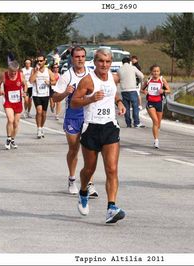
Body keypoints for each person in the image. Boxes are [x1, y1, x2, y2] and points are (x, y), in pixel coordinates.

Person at [71, 47, 126, 224]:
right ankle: (83, 191)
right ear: (94, 62)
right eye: (101, 61)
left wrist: (119, 102)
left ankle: (111, 207)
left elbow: (113, 92)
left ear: (111, 63)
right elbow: (73, 103)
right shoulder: (88, 81)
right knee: (89, 169)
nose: (104, 64)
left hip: (110, 126)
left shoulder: (113, 77)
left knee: (112, 169)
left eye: (107, 61)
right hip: (91, 128)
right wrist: (90, 99)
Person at [51, 46, 98, 197]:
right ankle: (72, 179)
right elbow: (54, 97)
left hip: (89, 116)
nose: (80, 59)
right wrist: (66, 92)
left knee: (90, 151)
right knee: (74, 149)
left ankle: (89, 184)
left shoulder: (91, 74)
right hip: (72, 117)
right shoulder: (67, 76)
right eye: (77, 56)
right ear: (72, 58)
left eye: (82, 56)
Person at [0, 61, 27, 150]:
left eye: (15, 72)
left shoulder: (20, 75)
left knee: (16, 123)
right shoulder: (4, 75)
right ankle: (8, 138)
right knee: (10, 119)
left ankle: (12, 140)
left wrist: (25, 92)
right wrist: (0, 90)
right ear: (8, 70)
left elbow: (25, 85)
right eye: (12, 72)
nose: (13, 73)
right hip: (8, 101)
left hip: (18, 102)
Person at [140, 64, 171, 149]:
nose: (156, 73)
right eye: (154, 71)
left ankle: (157, 132)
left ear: (159, 72)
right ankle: (156, 140)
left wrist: (163, 90)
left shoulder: (162, 80)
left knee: (158, 124)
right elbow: (141, 89)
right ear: (151, 72)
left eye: (157, 71)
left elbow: (169, 90)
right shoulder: (149, 80)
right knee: (155, 121)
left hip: (159, 103)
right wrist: (145, 92)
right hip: (150, 103)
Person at [29, 54, 56, 139]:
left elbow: (54, 81)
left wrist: (50, 83)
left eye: (41, 61)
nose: (39, 62)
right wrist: (36, 71)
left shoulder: (48, 71)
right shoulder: (34, 70)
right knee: (39, 111)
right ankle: (38, 129)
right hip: (36, 94)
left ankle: (42, 127)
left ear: (44, 61)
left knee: (44, 114)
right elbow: (31, 81)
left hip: (45, 94)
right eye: (38, 61)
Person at [117, 57, 144, 128]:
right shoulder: (133, 68)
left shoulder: (119, 70)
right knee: (135, 106)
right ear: (129, 62)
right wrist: (138, 81)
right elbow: (141, 76)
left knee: (126, 107)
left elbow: (117, 79)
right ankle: (136, 123)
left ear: (122, 63)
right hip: (132, 89)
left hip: (123, 91)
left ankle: (128, 124)